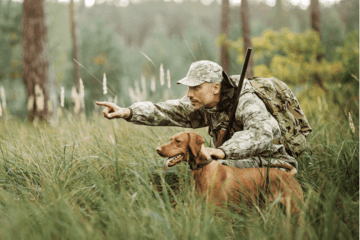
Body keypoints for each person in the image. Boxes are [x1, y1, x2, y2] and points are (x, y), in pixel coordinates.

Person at [96, 60, 298, 169]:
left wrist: (222, 152)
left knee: (217, 166)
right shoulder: (203, 103)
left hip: (274, 161)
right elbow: (166, 111)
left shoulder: (246, 101)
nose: (189, 94)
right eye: (188, 87)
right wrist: (127, 112)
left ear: (216, 87)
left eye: (196, 87)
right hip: (233, 160)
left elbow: (261, 134)